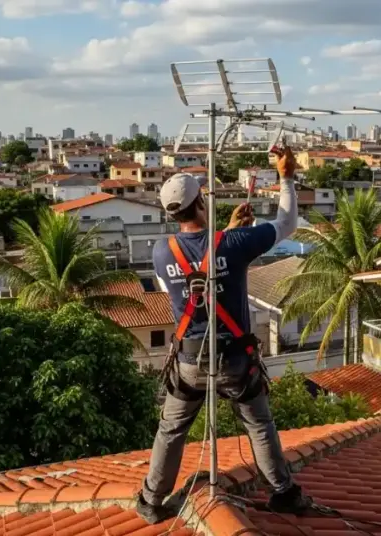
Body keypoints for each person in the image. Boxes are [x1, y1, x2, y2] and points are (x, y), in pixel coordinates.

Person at [135, 147, 309, 524]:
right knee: (258, 423)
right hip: (235, 361)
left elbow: (193, 273)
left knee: (171, 429)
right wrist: (286, 176)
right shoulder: (234, 244)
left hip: (188, 362)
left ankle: (151, 499)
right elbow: (287, 223)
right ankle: (284, 492)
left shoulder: (162, 251)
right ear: (201, 202)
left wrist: (229, 232)